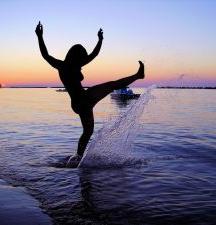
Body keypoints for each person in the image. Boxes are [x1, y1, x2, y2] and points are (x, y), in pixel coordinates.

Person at [35, 21, 145, 167]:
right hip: (84, 100)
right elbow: (46, 54)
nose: (83, 62)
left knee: (87, 132)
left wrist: (99, 40)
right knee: (112, 85)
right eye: (81, 58)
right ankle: (138, 76)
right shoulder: (66, 65)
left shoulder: (65, 65)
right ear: (76, 56)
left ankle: (78, 160)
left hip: (78, 103)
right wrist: (40, 36)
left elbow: (92, 54)